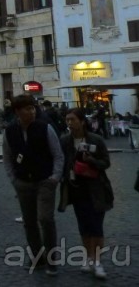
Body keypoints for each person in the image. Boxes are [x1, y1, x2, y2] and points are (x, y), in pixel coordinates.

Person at [2, 94, 64, 275]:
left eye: (33, 108)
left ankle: (52, 259)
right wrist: (13, 179)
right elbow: (7, 157)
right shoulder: (10, 131)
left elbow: (57, 154)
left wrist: (55, 177)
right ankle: (38, 257)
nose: (32, 111)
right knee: (29, 222)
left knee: (45, 219)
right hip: (23, 182)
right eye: (28, 108)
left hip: (45, 180)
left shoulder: (45, 128)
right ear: (17, 112)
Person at [58, 108, 113, 278]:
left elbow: (106, 162)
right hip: (76, 188)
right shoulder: (65, 140)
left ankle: (97, 262)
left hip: (96, 187)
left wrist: (91, 160)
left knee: (96, 225)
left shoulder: (95, 139)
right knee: (84, 225)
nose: (69, 123)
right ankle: (89, 257)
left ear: (82, 121)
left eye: (72, 119)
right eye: (67, 120)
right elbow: (61, 161)